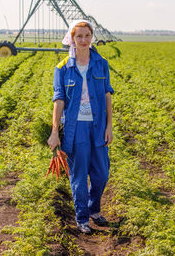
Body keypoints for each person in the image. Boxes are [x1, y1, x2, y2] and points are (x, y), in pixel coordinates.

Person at [47, 20, 114, 234]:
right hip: (76, 129)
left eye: (87, 36)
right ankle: (83, 217)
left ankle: (94, 208)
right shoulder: (63, 68)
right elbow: (59, 101)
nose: (83, 40)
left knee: (102, 173)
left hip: (98, 126)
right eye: (79, 36)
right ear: (72, 39)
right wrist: (55, 131)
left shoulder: (101, 63)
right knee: (79, 174)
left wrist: (109, 126)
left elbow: (107, 95)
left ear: (91, 37)